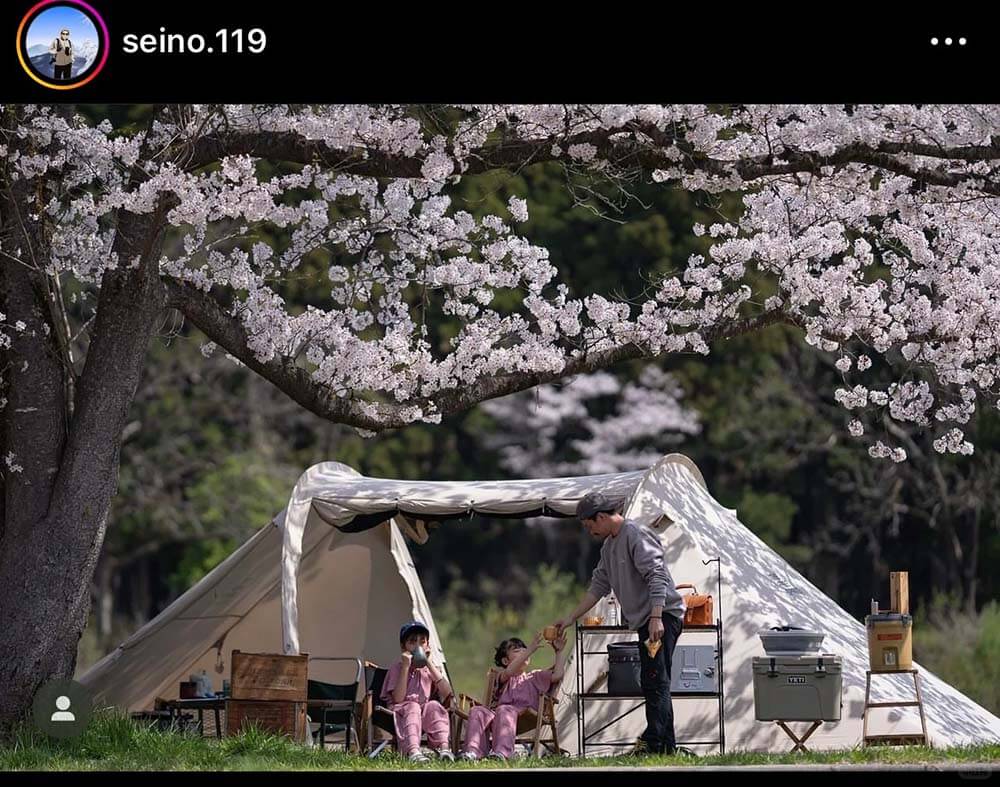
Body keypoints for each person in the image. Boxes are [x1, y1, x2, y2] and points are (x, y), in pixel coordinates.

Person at [552, 491, 687, 755]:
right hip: (645, 622)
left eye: (589, 524)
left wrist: (657, 617)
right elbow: (598, 587)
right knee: (655, 681)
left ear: (601, 517)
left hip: (662, 618)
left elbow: (656, 575)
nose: (588, 530)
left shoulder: (635, 535)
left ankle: (654, 744)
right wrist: (570, 618)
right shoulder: (609, 547)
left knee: (655, 680)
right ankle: (667, 747)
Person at [459, 630, 570, 761]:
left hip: (525, 715)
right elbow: (510, 671)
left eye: (525, 650)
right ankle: (472, 752)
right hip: (498, 718)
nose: (524, 652)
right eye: (518, 651)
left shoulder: (535, 676)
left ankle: (502, 753)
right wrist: (529, 650)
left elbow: (557, 675)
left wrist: (558, 652)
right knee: (477, 711)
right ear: (505, 661)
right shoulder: (503, 677)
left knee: (505, 709)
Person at [380, 620, 454, 762]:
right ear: (404, 647)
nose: (418, 646)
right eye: (413, 642)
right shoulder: (398, 668)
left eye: (422, 641)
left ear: (427, 645)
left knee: (434, 706)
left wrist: (429, 663)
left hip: (423, 712)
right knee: (412, 706)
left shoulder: (429, 670)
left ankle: (444, 749)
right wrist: (406, 668)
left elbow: (447, 693)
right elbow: (398, 699)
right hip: (400, 711)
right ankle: (413, 751)